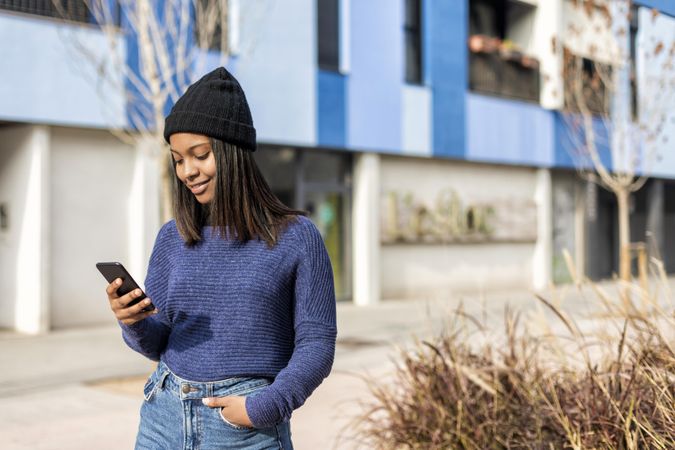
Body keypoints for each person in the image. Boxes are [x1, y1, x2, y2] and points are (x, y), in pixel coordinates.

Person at [105, 67, 337, 450]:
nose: (187, 171)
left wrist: (263, 409)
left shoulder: (296, 237)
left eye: (200, 155)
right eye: (178, 159)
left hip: (244, 429)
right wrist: (132, 322)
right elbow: (157, 340)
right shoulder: (172, 237)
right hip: (162, 417)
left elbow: (316, 344)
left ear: (232, 152)